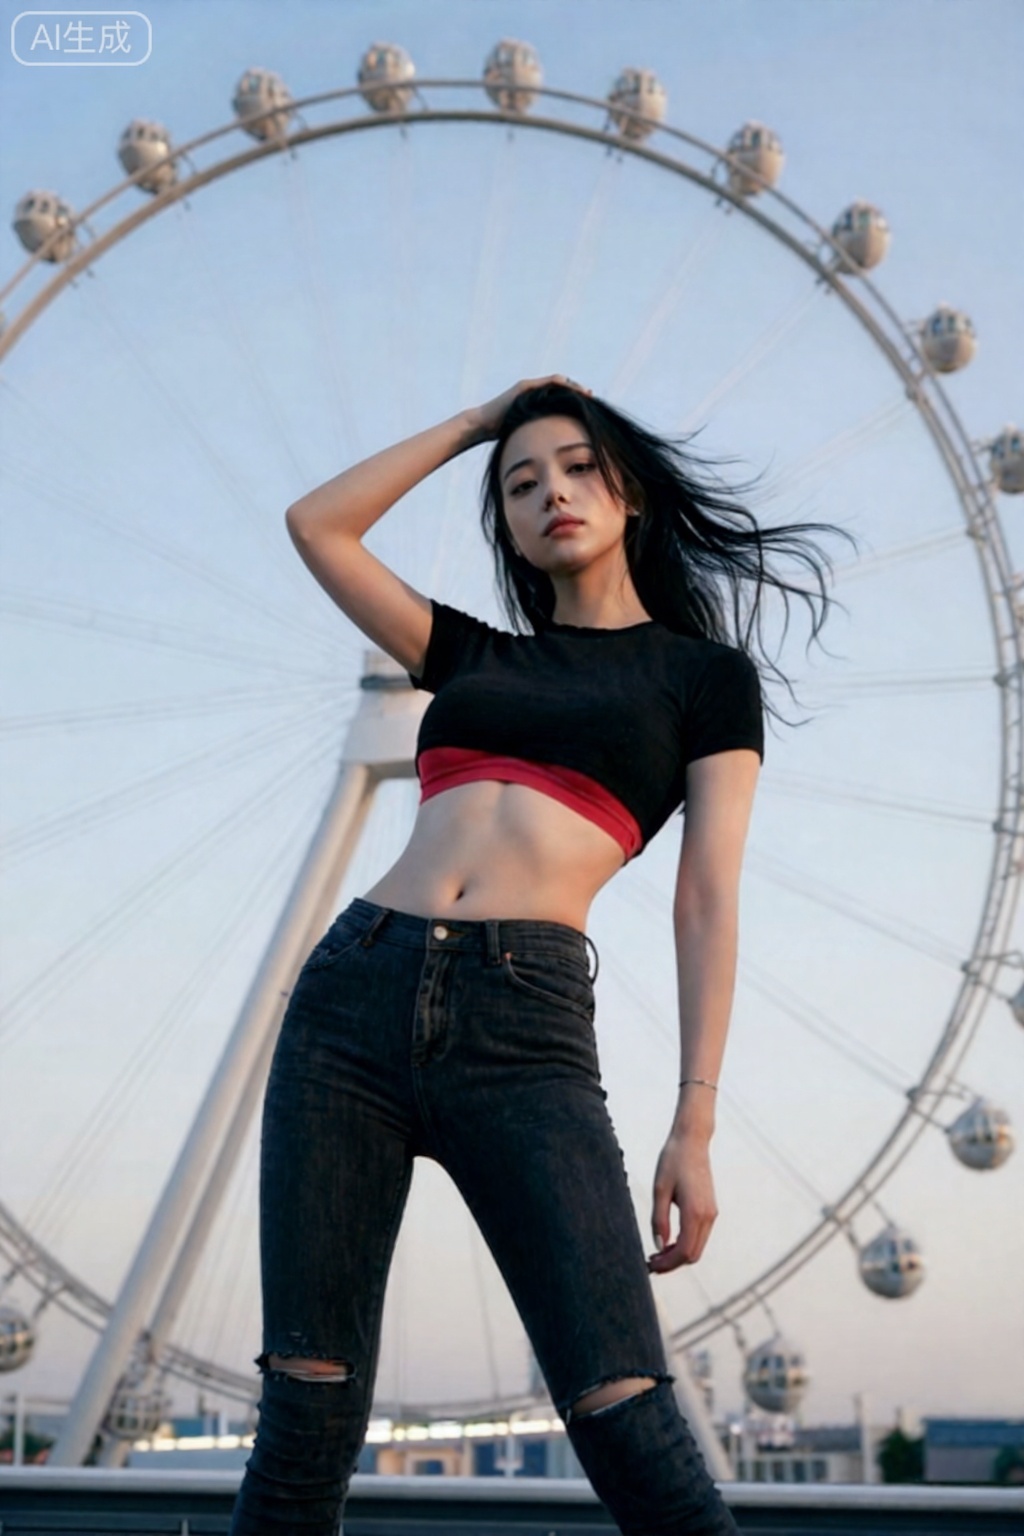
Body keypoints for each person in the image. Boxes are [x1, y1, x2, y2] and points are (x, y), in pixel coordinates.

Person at [228, 375, 840, 1535]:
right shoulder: (465, 655)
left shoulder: (704, 681)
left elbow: (705, 898)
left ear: (631, 495)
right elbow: (318, 525)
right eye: (520, 483)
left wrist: (693, 1123)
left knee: (623, 1410)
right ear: (502, 521)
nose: (549, 492)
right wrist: (476, 423)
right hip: (351, 997)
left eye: (575, 468)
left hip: (524, 1024)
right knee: (305, 1411)